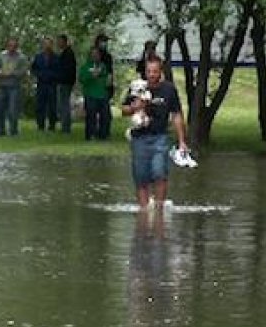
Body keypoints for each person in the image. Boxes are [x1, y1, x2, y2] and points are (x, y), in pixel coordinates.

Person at [122, 55, 189, 208]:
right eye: (149, 71)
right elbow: (124, 110)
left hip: (160, 137)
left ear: (161, 72)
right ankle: (144, 211)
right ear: (145, 72)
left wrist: (181, 141)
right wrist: (134, 107)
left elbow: (177, 114)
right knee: (141, 177)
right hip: (139, 138)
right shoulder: (137, 87)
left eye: (155, 71)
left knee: (160, 172)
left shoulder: (169, 89)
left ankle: (159, 209)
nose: (151, 74)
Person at [0, 37, 27, 136]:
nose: (11, 48)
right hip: (3, 85)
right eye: (10, 45)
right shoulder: (2, 55)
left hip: (14, 86)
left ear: (17, 46)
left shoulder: (21, 57)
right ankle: (0, 131)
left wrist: (12, 73)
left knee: (12, 109)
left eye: (14, 46)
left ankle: (13, 131)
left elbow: (23, 71)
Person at [79, 47, 109, 141]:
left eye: (97, 54)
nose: (95, 56)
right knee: (91, 116)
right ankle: (90, 135)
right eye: (93, 54)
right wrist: (91, 76)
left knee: (105, 116)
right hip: (90, 94)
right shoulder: (85, 67)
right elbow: (82, 79)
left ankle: (103, 135)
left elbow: (106, 78)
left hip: (102, 94)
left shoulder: (103, 66)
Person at [31, 37, 59, 131]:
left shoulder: (56, 57)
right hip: (41, 84)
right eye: (45, 43)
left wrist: (51, 76)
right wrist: (39, 75)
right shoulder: (38, 57)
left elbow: (59, 70)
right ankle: (40, 125)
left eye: (49, 43)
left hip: (52, 84)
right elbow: (34, 69)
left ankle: (52, 125)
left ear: (52, 45)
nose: (47, 45)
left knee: (52, 106)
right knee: (40, 105)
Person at [94, 33, 114, 139]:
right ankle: (96, 131)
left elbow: (110, 72)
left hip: (104, 87)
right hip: (95, 87)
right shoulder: (94, 55)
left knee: (105, 111)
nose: (104, 44)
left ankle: (104, 131)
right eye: (103, 41)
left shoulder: (107, 56)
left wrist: (109, 84)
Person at [56, 34, 76, 134]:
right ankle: (64, 125)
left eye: (60, 41)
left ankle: (66, 127)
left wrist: (61, 78)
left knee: (64, 104)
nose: (58, 43)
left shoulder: (68, 53)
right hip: (64, 81)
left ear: (64, 42)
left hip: (65, 82)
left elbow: (68, 70)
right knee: (62, 104)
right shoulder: (64, 53)